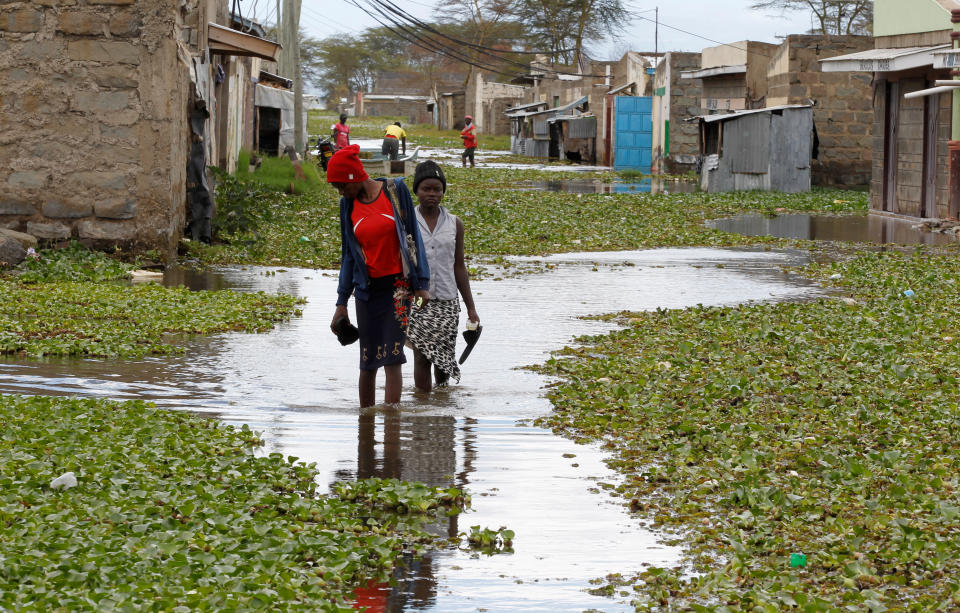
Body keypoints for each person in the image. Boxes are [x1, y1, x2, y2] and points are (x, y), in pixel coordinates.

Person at [328, 144, 430, 407]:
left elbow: (412, 239)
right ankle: (366, 422)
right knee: (368, 360)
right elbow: (348, 254)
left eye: (342, 186)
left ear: (355, 177)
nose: (341, 192)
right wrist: (341, 303)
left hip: (398, 289)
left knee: (393, 357)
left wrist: (421, 285)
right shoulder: (347, 206)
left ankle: (392, 422)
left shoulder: (395, 191)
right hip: (367, 291)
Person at [406, 160, 480, 392]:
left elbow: (459, 266)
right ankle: (423, 406)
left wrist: (471, 307)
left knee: (443, 359)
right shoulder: (407, 222)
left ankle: (441, 406)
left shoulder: (454, 223)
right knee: (421, 355)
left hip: (448, 301)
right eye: (426, 189)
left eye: (437, 189)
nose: (432, 194)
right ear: (416, 190)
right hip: (417, 299)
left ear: (443, 192)